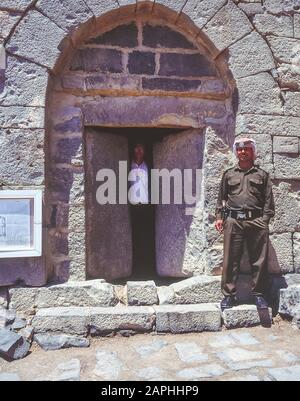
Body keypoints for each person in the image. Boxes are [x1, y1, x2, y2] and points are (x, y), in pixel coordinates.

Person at [215, 137, 275, 310]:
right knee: (230, 260)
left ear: (253, 152)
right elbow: (221, 198)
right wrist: (220, 217)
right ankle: (229, 295)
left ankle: (259, 294)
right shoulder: (229, 174)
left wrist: (264, 221)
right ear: (236, 152)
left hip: (256, 221)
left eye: (246, 149)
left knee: (259, 260)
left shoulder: (262, 175)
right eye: (240, 149)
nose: (243, 152)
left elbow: (268, 201)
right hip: (233, 221)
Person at [128, 143, 155, 278]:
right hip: (131, 206)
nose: (138, 150)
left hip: (146, 206)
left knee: (146, 236)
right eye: (136, 147)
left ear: (144, 151)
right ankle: (133, 268)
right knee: (132, 236)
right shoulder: (128, 165)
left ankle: (147, 268)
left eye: (141, 148)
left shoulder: (149, 166)